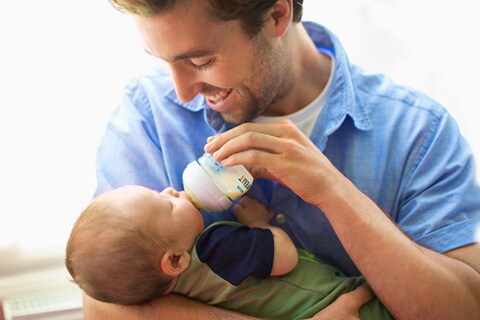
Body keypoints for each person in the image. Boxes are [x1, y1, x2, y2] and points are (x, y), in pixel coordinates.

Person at [87, 0, 480, 319]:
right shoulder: (150, 115)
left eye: (201, 61)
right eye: (164, 61)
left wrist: (334, 192)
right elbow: (106, 304)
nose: (183, 91)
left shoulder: (418, 132)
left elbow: (464, 311)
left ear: (277, 14)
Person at [66, 185, 392, 319]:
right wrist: (258, 222)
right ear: (175, 260)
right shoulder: (214, 247)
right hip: (332, 302)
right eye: (167, 203)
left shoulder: (179, 289)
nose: (169, 189)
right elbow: (285, 256)